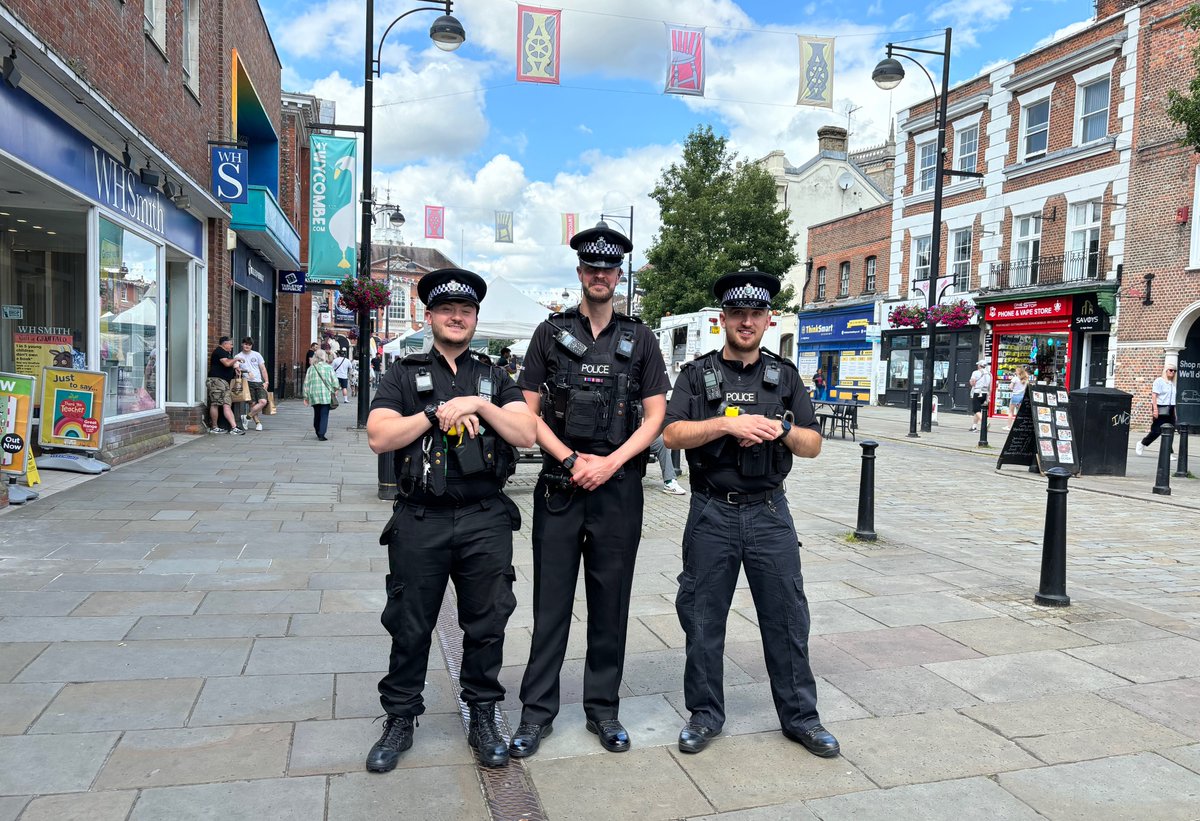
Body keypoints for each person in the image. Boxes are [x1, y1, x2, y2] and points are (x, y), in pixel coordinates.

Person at [364, 268, 536, 773]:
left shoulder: (494, 376)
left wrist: (479, 403)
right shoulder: (402, 372)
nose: (456, 317)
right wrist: (436, 412)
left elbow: (525, 432)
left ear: (476, 318)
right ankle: (400, 717)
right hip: (421, 519)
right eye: (446, 310)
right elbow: (379, 436)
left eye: (465, 311)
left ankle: (483, 713)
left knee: (487, 621)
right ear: (429, 316)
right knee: (410, 622)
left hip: (485, 516)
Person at [509, 222, 669, 759]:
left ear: (617, 276)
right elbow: (526, 415)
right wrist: (574, 459)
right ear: (580, 273)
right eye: (591, 268)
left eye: (608, 268)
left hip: (618, 490)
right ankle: (537, 714)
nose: (599, 275)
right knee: (550, 605)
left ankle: (603, 710)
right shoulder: (548, 334)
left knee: (610, 605)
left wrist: (611, 463)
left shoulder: (640, 338)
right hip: (560, 486)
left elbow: (655, 418)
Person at [662, 269, 837, 759]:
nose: (746, 322)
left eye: (754, 314)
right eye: (736, 314)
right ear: (723, 320)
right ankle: (704, 715)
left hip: (768, 513)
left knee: (787, 617)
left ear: (767, 319)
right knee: (701, 618)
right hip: (711, 513)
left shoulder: (785, 376)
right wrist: (722, 424)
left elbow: (813, 444)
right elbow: (672, 436)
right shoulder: (697, 375)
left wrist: (777, 428)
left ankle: (801, 718)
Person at [206, 336, 245, 435]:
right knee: (215, 403)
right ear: (225, 344)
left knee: (227, 404)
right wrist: (236, 359)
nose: (232, 346)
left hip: (225, 382)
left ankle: (234, 427)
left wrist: (235, 368)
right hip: (216, 381)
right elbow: (227, 363)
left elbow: (229, 365)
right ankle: (214, 427)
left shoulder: (226, 353)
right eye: (230, 344)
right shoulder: (219, 351)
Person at [1136, 362, 1178, 457]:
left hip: (1170, 409)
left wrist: (1175, 413)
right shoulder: (1159, 381)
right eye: (1171, 370)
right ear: (1166, 370)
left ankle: (1168, 453)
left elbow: (1173, 400)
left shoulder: (1172, 384)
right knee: (1156, 430)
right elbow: (1154, 395)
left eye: (1174, 371)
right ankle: (1142, 443)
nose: (1173, 372)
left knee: (1170, 431)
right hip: (1160, 407)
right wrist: (1155, 410)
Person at [235, 337, 269, 431]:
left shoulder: (257, 355)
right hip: (247, 382)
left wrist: (266, 381)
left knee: (263, 402)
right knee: (252, 404)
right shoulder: (238, 356)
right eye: (245, 344)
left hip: (258, 382)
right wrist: (245, 371)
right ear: (242, 344)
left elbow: (263, 369)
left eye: (249, 345)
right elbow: (236, 368)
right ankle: (258, 423)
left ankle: (246, 417)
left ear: (251, 346)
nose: (247, 346)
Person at [302, 350, 338, 441]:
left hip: (314, 395)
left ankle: (317, 430)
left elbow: (306, 383)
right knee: (324, 414)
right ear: (324, 357)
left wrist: (306, 397)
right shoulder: (329, 368)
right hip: (326, 395)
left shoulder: (311, 368)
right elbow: (335, 381)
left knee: (317, 414)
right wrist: (336, 389)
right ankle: (321, 433)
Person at [969, 359, 992, 432]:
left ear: (979, 365)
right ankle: (974, 426)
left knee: (976, 410)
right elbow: (990, 386)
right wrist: (989, 395)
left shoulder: (975, 373)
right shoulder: (989, 374)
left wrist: (971, 382)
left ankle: (985, 423)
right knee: (978, 410)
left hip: (977, 392)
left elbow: (972, 383)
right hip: (985, 393)